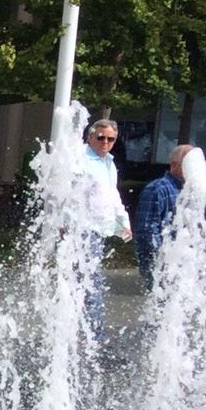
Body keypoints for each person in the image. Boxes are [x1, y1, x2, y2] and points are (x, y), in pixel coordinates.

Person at [78, 115, 132, 338]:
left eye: (111, 139)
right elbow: (66, 195)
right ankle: (95, 334)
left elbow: (112, 196)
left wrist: (123, 224)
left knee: (87, 281)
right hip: (82, 229)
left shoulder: (109, 163)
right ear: (91, 137)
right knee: (91, 281)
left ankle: (84, 332)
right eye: (101, 138)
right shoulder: (80, 159)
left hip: (100, 228)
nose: (106, 143)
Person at [133, 144, 194, 289]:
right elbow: (146, 229)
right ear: (174, 165)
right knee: (164, 299)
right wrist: (163, 257)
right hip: (161, 261)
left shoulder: (190, 191)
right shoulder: (157, 189)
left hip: (183, 260)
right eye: (189, 163)